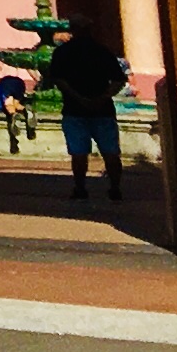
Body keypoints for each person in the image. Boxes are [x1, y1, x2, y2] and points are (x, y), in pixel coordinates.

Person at [44, 16, 131, 208]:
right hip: (103, 110)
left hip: (74, 109)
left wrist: (78, 98)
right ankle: (115, 189)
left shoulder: (63, 52)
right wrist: (103, 97)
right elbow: (118, 80)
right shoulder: (102, 51)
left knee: (78, 153)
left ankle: (80, 188)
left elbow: (58, 80)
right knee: (110, 152)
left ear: (73, 29)